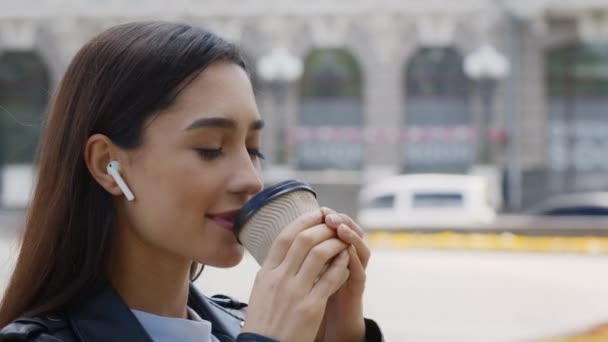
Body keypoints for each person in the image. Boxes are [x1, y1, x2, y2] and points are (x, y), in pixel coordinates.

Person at [0, 21, 383, 342]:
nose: (250, 180)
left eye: (253, 150)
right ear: (107, 164)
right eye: (211, 148)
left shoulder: (246, 324)